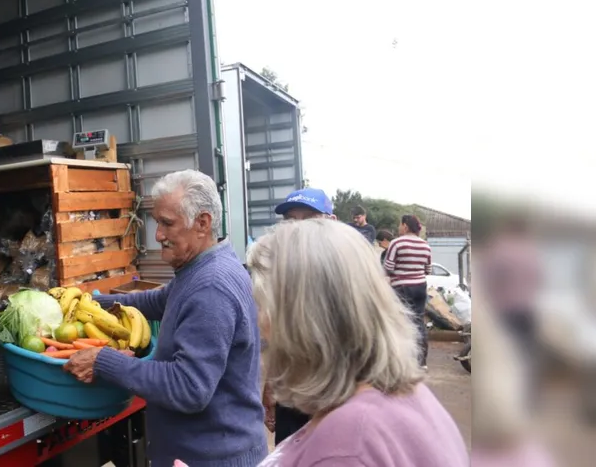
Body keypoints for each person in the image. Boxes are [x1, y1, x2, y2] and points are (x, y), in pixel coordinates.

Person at [62, 169, 266, 467]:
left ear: (203, 223)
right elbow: (158, 300)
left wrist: (103, 361)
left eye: (167, 223)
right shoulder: (205, 267)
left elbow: (188, 388)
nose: (158, 235)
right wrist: (91, 303)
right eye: (158, 222)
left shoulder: (211, 286)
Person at [247, 219, 468, 466]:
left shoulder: (346, 445)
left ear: (299, 320)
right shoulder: (404, 395)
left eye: (261, 305)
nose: (258, 321)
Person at [261, 188, 337, 446]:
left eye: (310, 219)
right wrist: (270, 389)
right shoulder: (281, 272)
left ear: (332, 222)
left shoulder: (347, 276)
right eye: (292, 221)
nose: (299, 229)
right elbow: (277, 338)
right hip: (292, 396)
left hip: (334, 398)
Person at [383, 214, 432, 368]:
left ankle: (401, 360)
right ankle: (421, 362)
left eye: (400, 225)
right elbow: (428, 270)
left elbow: (388, 268)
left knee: (399, 321)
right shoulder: (425, 245)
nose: (399, 228)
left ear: (405, 226)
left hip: (401, 288)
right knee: (418, 321)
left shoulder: (396, 243)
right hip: (420, 287)